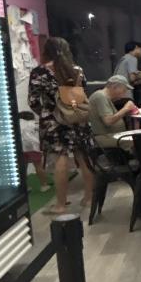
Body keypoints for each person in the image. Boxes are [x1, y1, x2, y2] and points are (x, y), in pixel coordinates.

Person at [27, 36, 95, 215]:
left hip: (54, 122)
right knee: (84, 158)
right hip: (78, 118)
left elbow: (33, 101)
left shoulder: (39, 72)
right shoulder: (77, 70)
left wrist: (48, 112)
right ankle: (89, 198)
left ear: (46, 51)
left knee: (61, 159)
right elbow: (82, 93)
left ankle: (61, 204)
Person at [87, 75, 137, 151]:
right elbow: (108, 121)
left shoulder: (105, 97)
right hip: (103, 136)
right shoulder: (100, 96)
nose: (124, 94)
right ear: (114, 87)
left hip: (110, 134)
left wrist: (126, 112)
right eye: (123, 90)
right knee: (136, 141)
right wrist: (126, 108)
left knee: (137, 137)